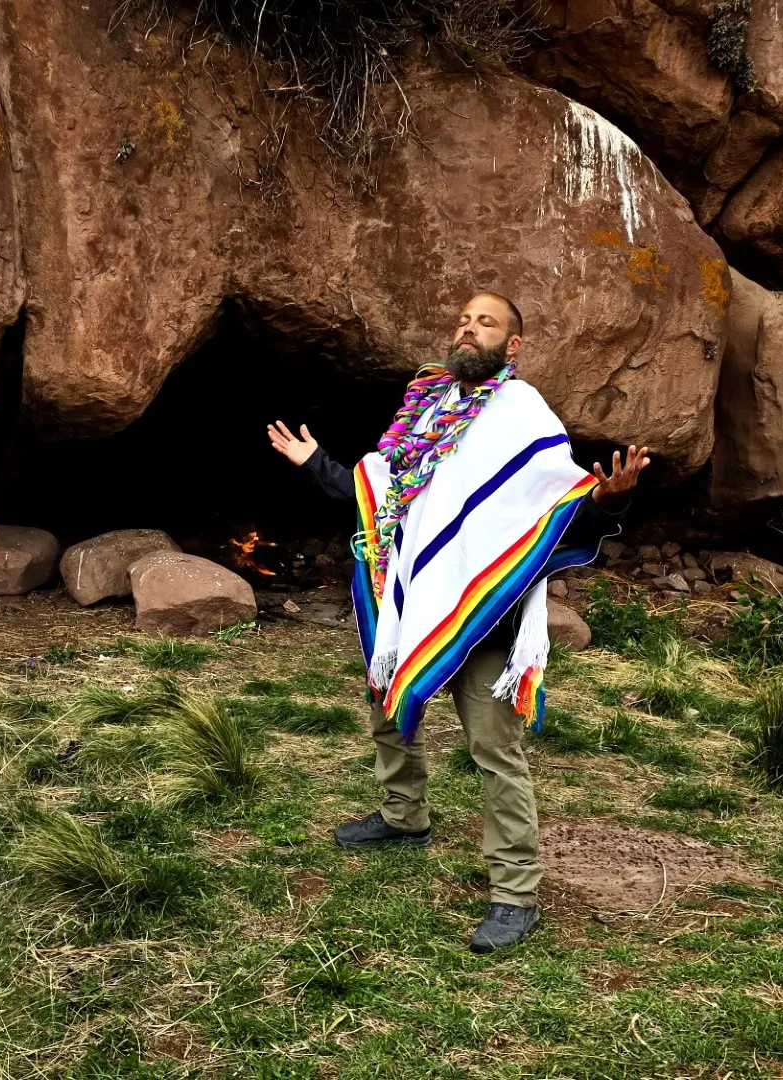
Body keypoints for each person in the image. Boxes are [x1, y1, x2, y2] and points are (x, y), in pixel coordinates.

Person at [268, 292, 648, 953]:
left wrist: (607, 504)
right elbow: (385, 495)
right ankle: (403, 815)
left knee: (495, 751)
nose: (470, 329)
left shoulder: (523, 416)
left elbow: (552, 504)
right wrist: (318, 465)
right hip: (411, 601)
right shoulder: (428, 409)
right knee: (389, 705)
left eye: (487, 322)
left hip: (484, 612)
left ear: (513, 344)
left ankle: (515, 893)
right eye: (465, 320)